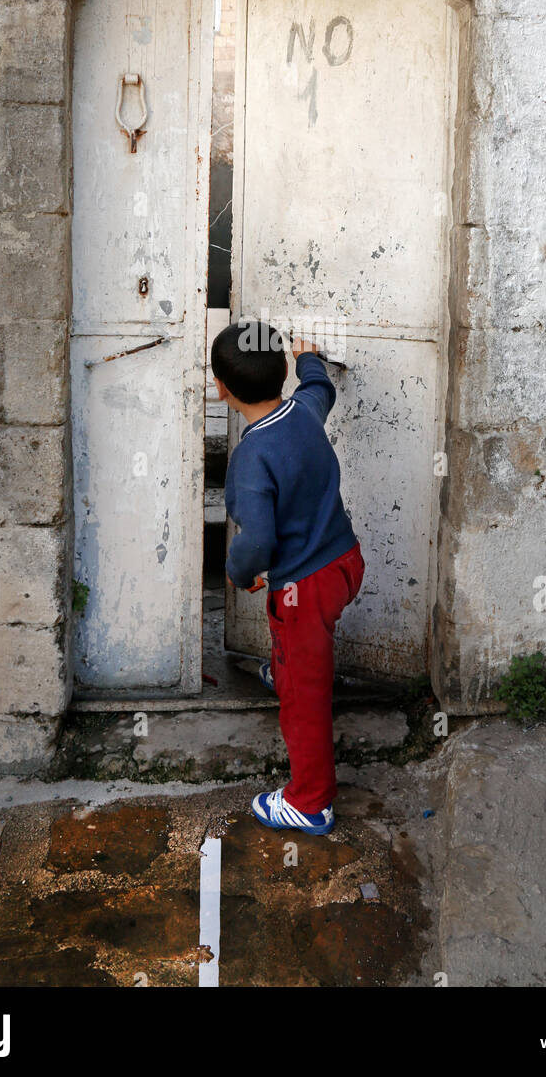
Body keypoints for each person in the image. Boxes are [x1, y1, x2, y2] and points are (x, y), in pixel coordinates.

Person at [211, 320, 365, 835]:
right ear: (281, 374)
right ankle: (290, 667)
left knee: (303, 700)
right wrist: (308, 358)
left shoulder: (250, 458)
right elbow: (320, 387)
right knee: (301, 646)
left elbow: (256, 542)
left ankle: (309, 801)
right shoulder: (303, 411)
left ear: (222, 389)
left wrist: (240, 574)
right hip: (344, 564)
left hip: (305, 587)